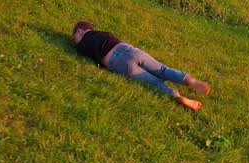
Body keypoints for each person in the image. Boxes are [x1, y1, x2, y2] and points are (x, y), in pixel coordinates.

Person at [72, 21, 211, 111]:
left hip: (117, 63)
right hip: (129, 50)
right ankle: (190, 80)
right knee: (163, 70)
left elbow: (90, 55)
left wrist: (79, 44)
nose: (75, 40)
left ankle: (176, 96)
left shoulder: (82, 44)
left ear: (80, 31)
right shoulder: (103, 33)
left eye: (74, 37)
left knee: (154, 83)